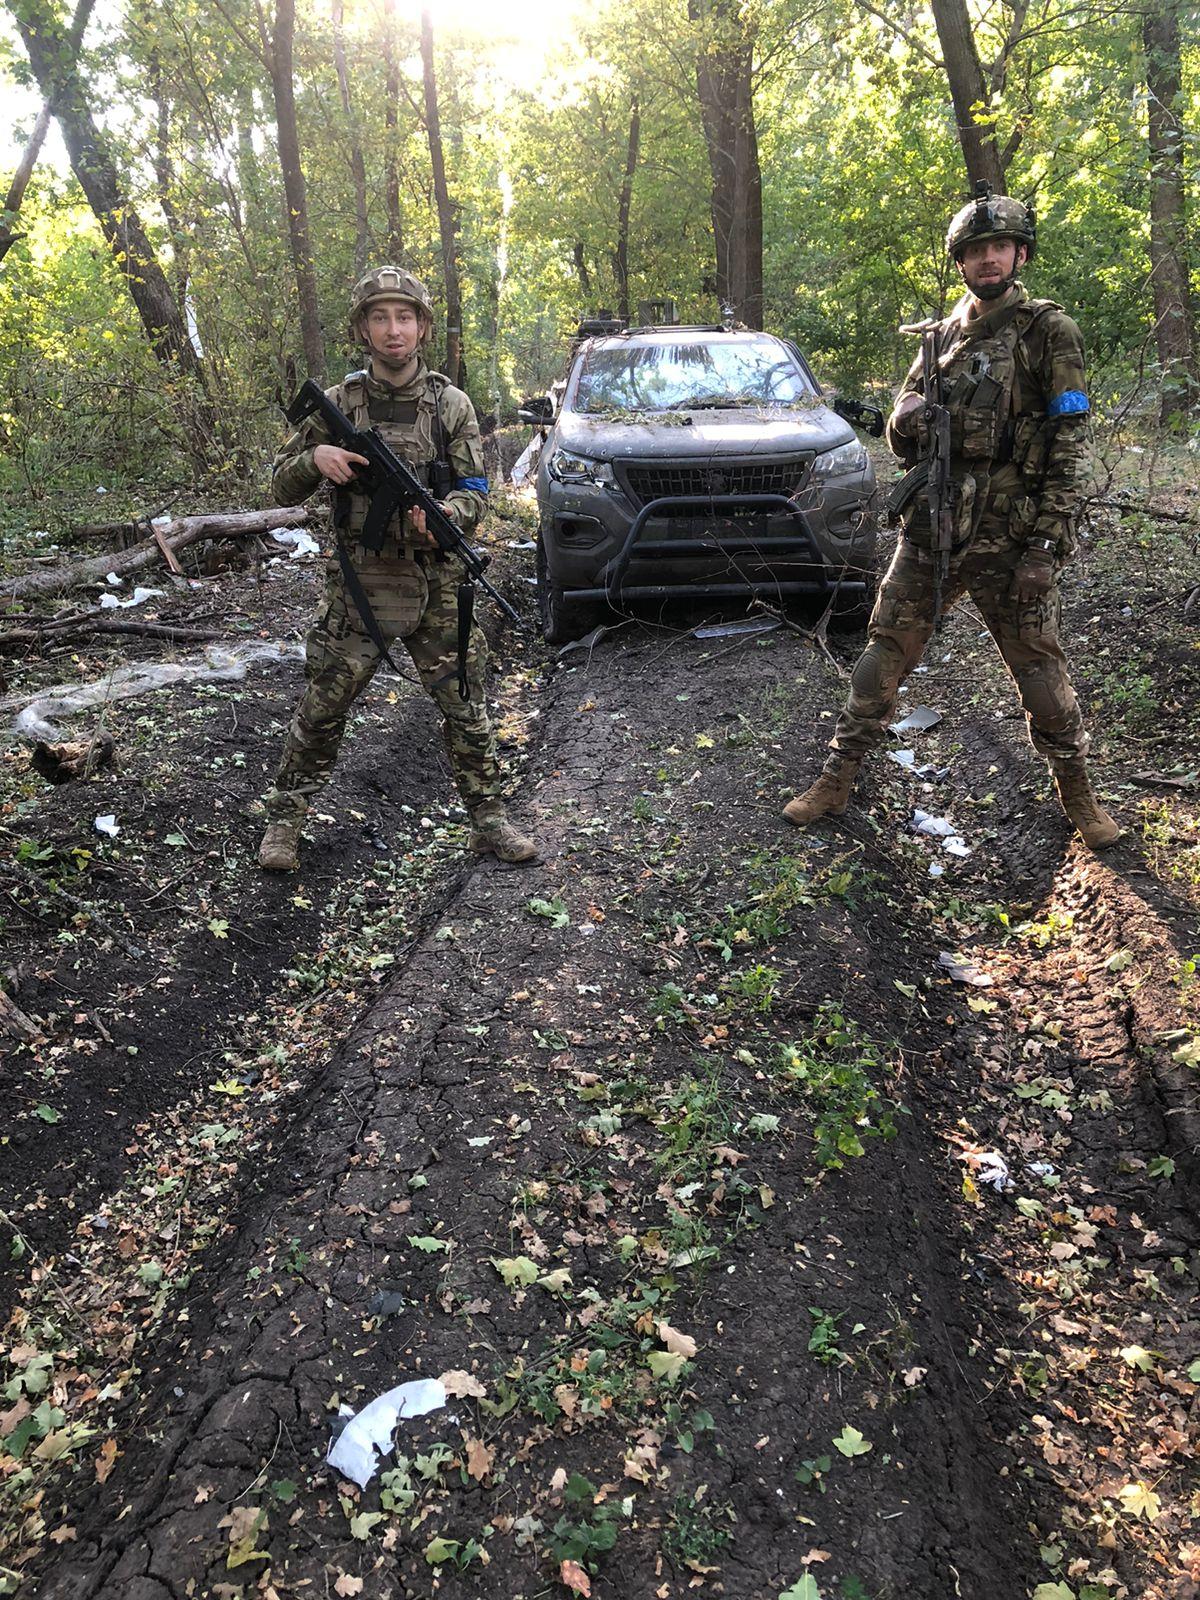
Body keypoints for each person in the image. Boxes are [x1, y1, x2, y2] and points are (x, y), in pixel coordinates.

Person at [783, 188, 1120, 852]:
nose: (988, 259)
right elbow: (900, 427)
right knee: (881, 656)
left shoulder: (1048, 332)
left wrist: (1048, 544)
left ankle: (1078, 795)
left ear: (1019, 254)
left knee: (1041, 675)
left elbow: (1070, 443)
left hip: (1013, 535)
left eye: (999, 247)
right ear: (961, 263)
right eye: (975, 251)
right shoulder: (940, 336)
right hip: (935, 528)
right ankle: (836, 778)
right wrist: (904, 420)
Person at [258, 266, 539, 870]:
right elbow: (281, 487)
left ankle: (489, 820)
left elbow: (475, 489)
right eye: (380, 317)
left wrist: (446, 514)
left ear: (422, 328)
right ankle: (284, 822)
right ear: (363, 328)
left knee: (466, 703)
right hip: (362, 586)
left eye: (404, 317)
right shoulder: (338, 403)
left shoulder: (451, 404)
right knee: (325, 705)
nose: (393, 330)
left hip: (437, 585)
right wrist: (316, 456)